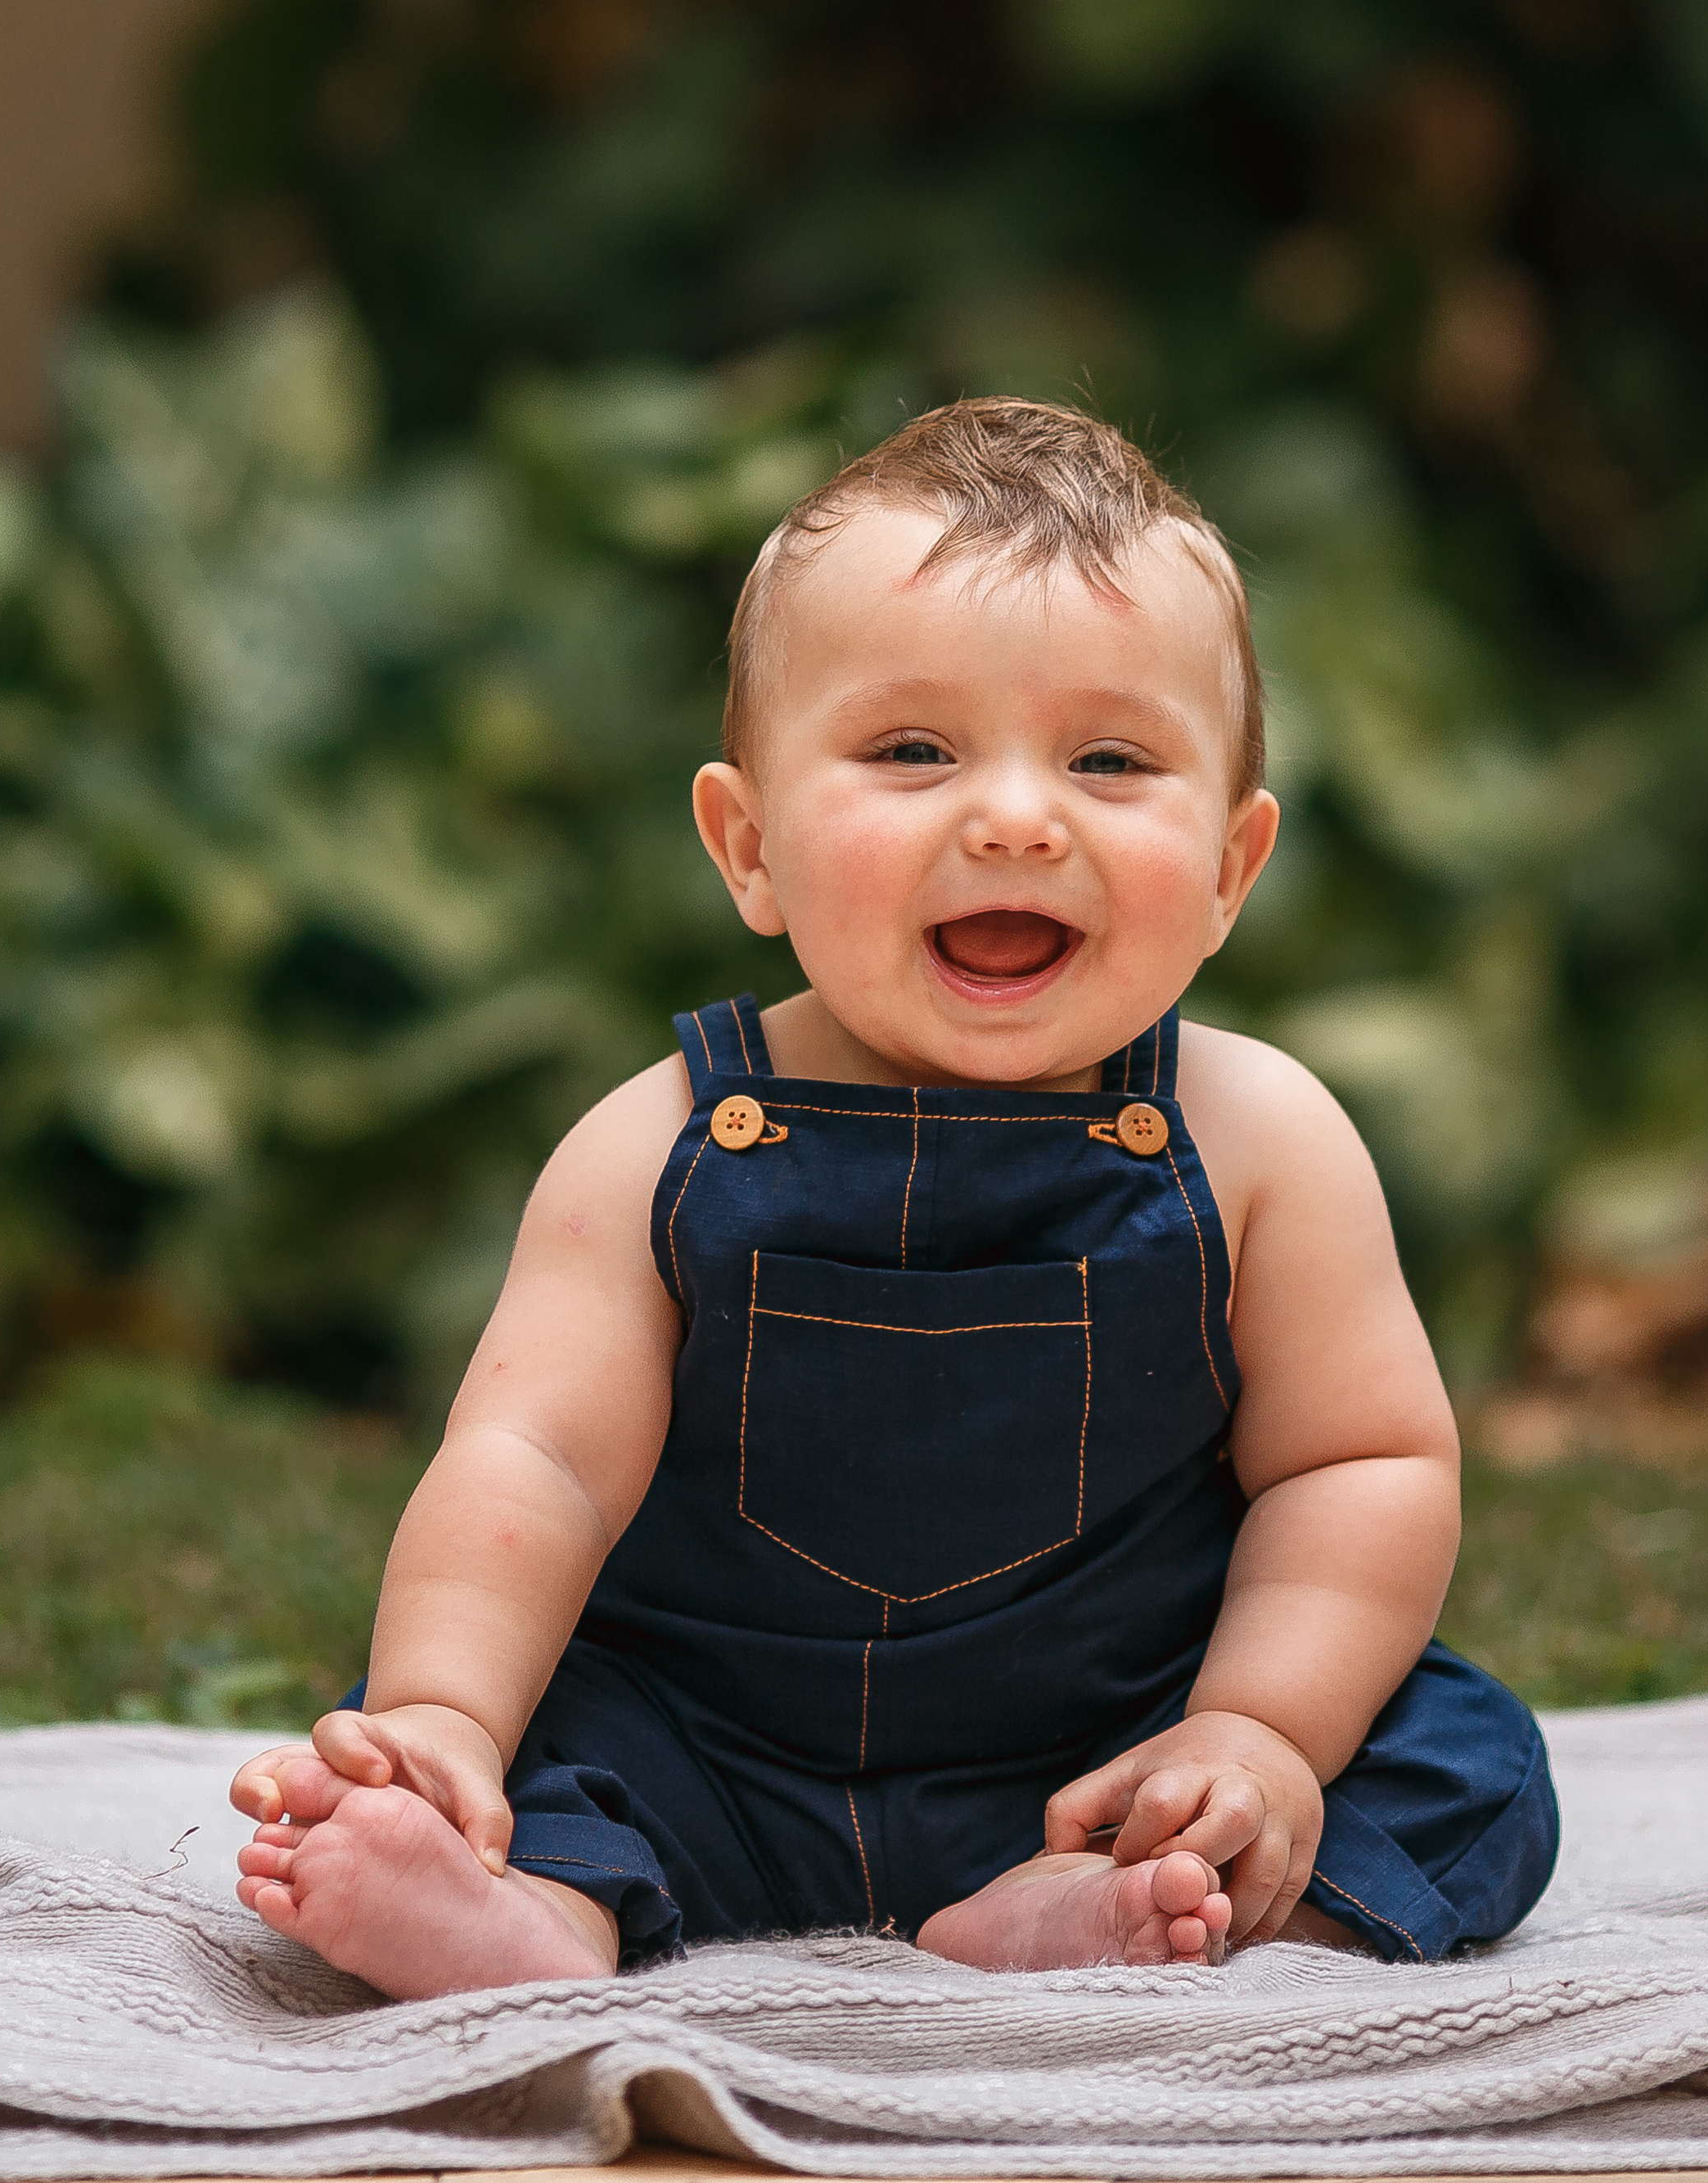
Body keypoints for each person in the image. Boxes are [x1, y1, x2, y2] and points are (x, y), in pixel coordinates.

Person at [228, 398, 1559, 1998]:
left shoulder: (1261, 1137)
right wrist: (445, 1714)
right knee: (514, 1708)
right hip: (708, 1746)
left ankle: (1099, 1907)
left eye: (1111, 759)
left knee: (1460, 1752)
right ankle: (536, 1919)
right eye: (911, 749)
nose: (1012, 813)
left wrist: (1252, 1730)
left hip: (1109, 1750)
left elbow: (1358, 1458)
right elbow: (533, 1460)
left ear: (1228, 864)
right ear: (751, 844)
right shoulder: (654, 1143)